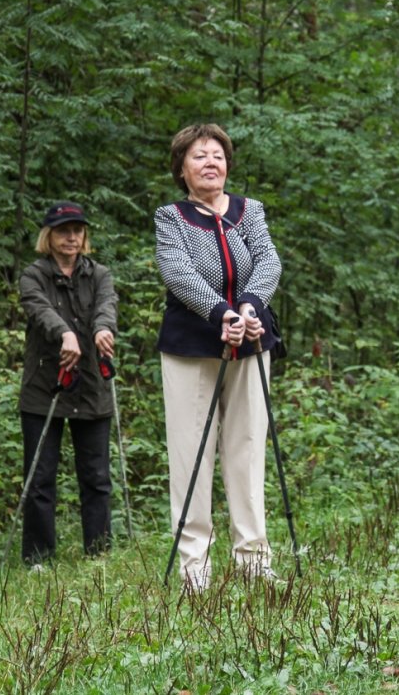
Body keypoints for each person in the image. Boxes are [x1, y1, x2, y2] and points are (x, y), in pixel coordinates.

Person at [154, 123, 283, 591]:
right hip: (192, 344)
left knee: (247, 448)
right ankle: (195, 568)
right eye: (199, 156)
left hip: (250, 339)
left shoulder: (250, 211)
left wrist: (249, 305)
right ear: (182, 169)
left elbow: (268, 260)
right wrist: (220, 312)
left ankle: (253, 559)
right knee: (191, 452)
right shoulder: (171, 218)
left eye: (218, 155)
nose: (211, 163)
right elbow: (178, 272)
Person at [18, 201, 118, 567]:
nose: (72, 236)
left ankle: (99, 555)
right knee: (40, 478)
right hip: (45, 386)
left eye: (77, 230)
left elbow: (107, 305)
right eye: (63, 230)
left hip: (91, 385)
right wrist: (65, 333)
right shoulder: (33, 275)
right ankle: (38, 559)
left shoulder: (100, 274)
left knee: (96, 477)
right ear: (49, 235)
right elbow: (39, 309)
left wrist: (104, 328)